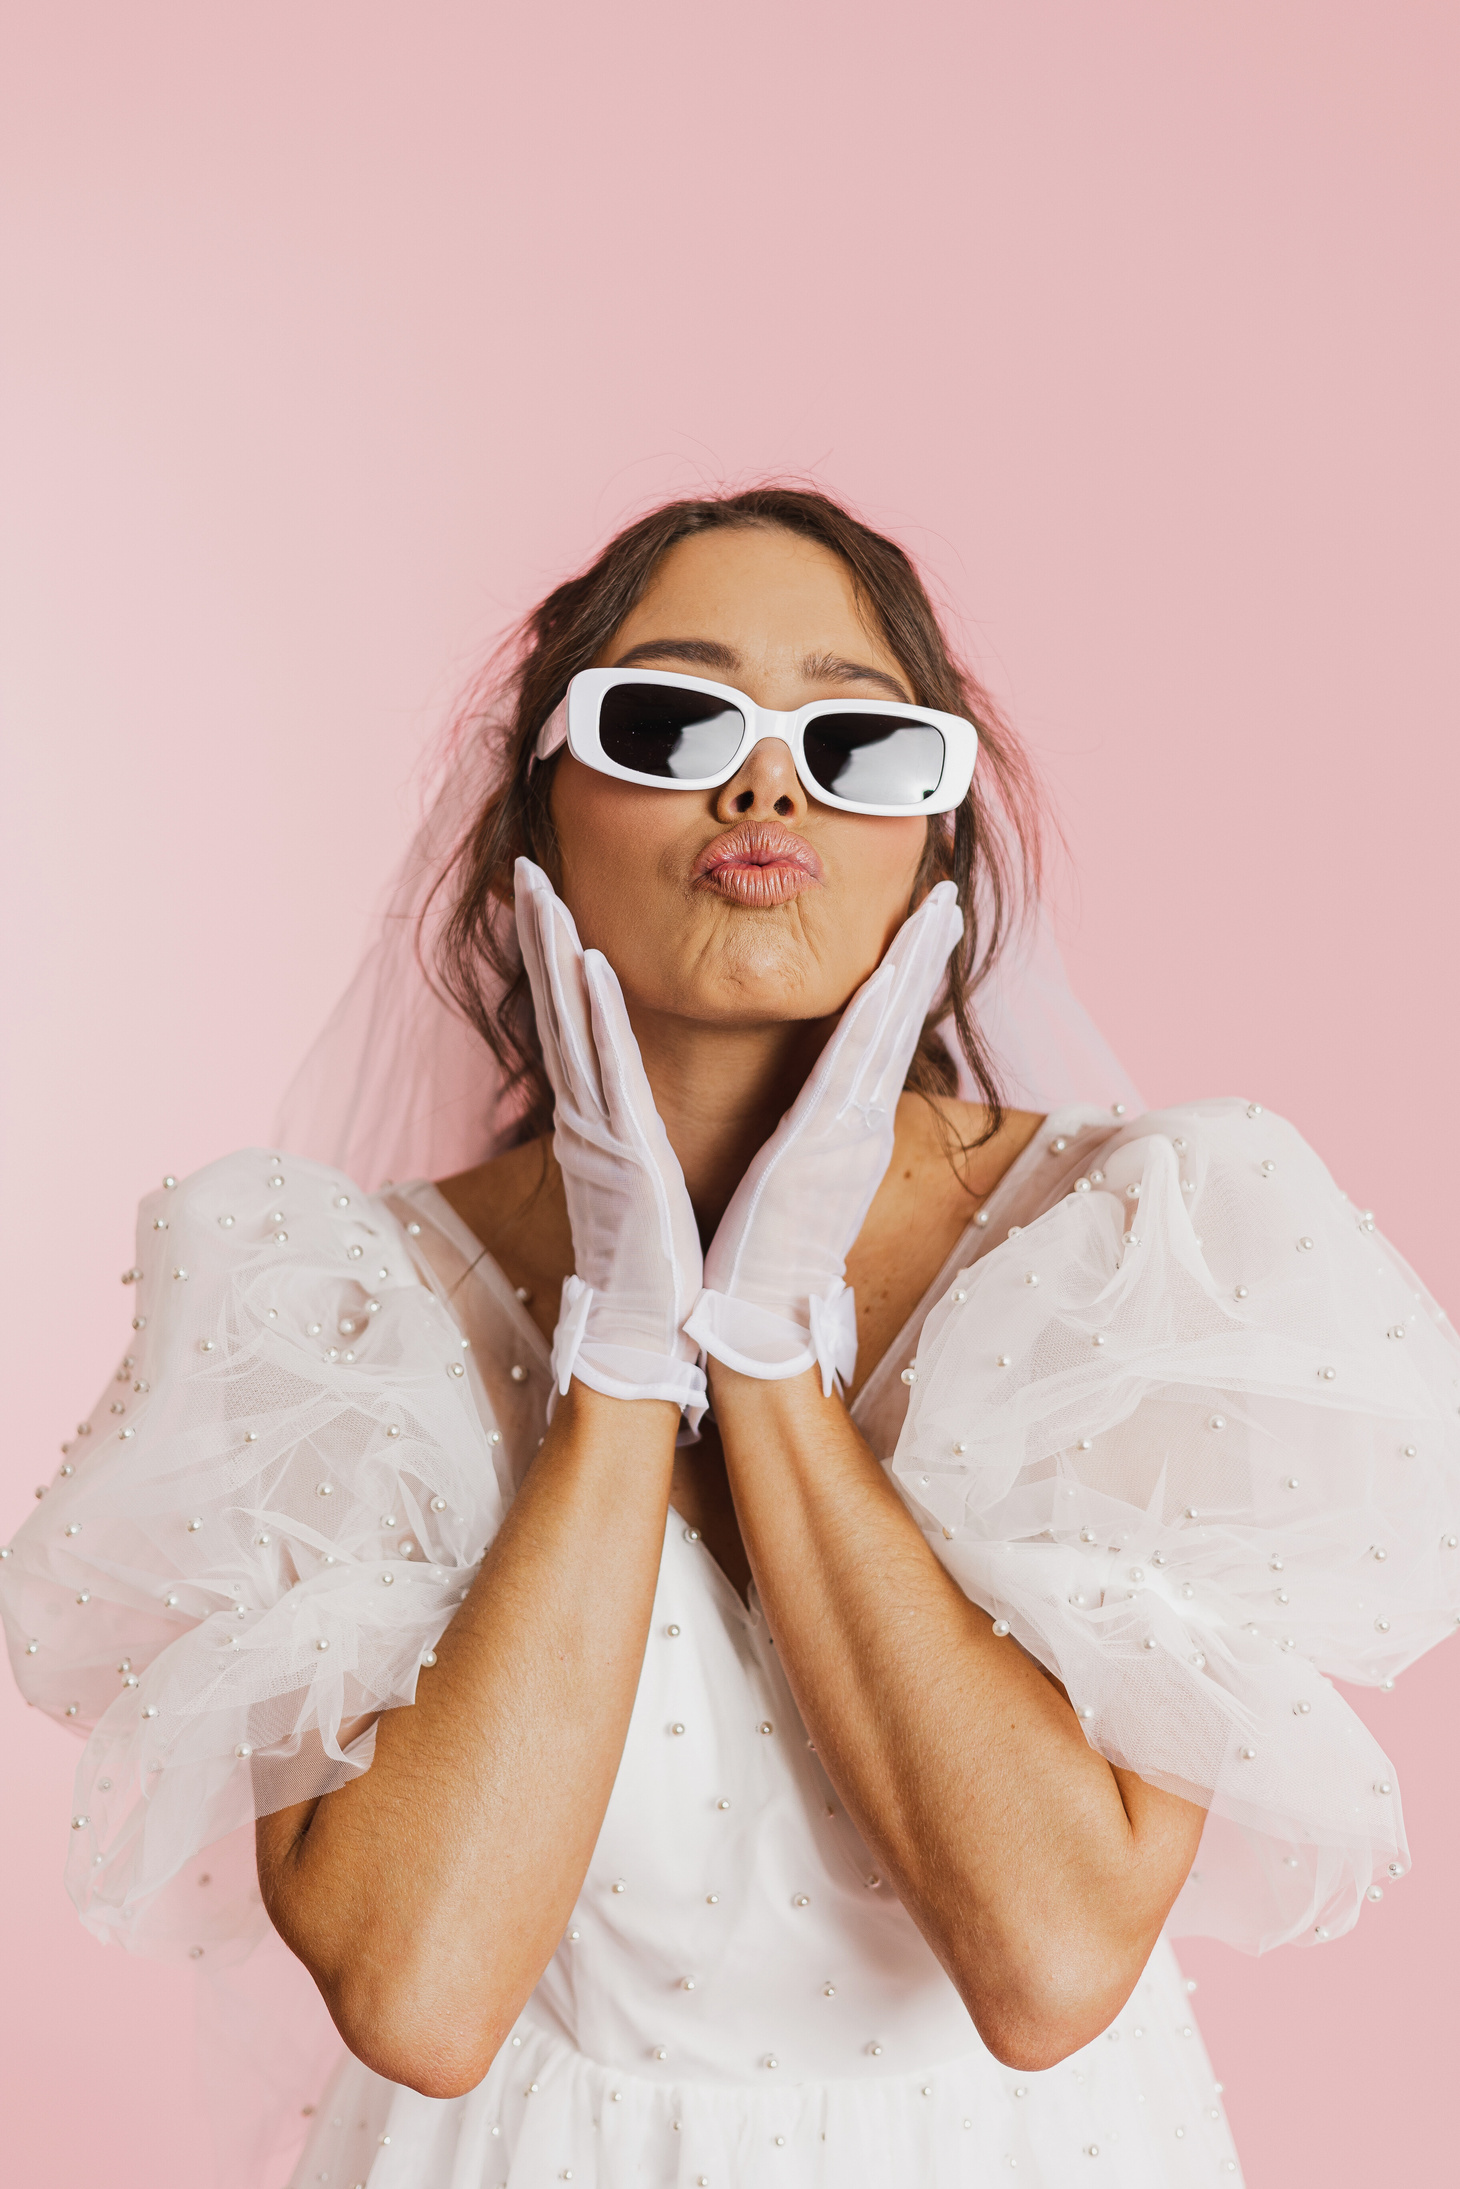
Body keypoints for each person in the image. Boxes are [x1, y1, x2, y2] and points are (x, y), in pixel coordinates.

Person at [5, 488, 1458, 2189]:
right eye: (675, 715)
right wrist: (627, 1354)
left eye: (861, 740)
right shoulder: (331, 1298)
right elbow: (417, 1988)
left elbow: (1052, 1957)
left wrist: (763, 1351)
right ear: (539, 815)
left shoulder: (1136, 1248)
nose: (770, 785)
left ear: (940, 831)